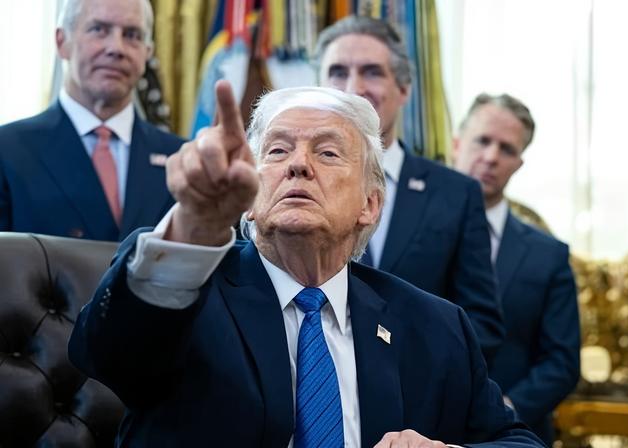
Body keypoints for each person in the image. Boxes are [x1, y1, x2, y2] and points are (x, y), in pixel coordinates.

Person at [68, 81, 545, 447]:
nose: (298, 165)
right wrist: (194, 224)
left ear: (370, 204)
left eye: (328, 152)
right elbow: (109, 358)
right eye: (276, 151)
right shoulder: (186, 288)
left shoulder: (435, 326)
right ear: (250, 196)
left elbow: (519, 440)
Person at [314, 16, 504, 360]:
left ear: (404, 89)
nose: (353, 87)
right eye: (338, 72)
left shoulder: (456, 194)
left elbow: (481, 323)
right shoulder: (291, 182)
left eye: (372, 72)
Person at [453, 93, 581, 445]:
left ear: (519, 163)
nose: (491, 157)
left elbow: (562, 361)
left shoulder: (548, 255)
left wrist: (507, 408)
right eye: (482, 141)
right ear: (456, 144)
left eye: (506, 149)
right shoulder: (407, 234)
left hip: (509, 434)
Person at [0, 0, 183, 241]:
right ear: (61, 41)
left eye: (132, 34)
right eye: (99, 29)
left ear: (148, 51)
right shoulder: (8, 150)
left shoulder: (182, 157)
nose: (116, 48)